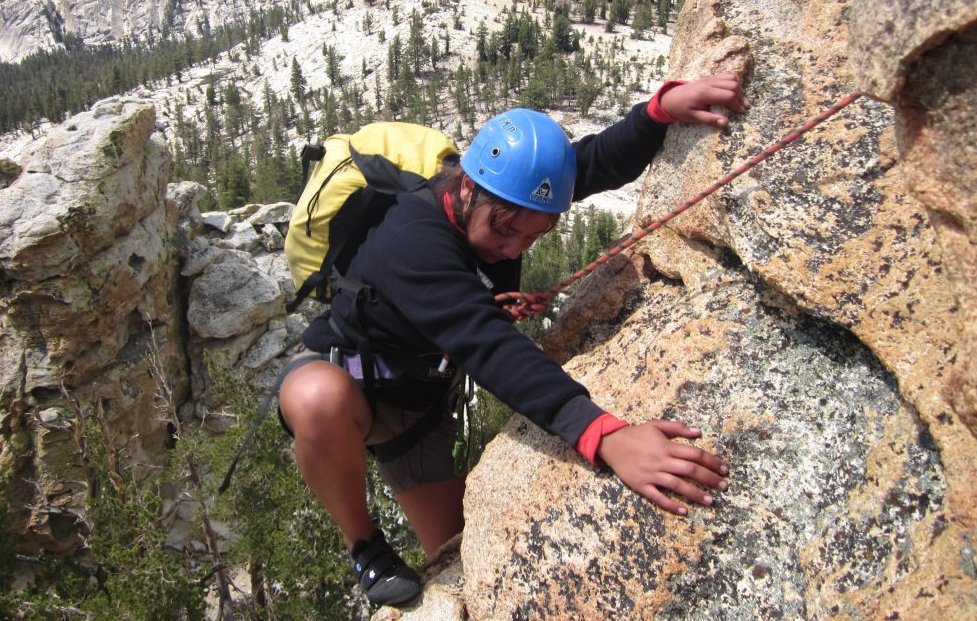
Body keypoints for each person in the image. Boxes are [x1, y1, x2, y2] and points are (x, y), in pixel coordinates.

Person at [278, 73, 747, 606]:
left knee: (454, 555)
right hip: (350, 376)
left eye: (535, 235)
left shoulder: (506, 199)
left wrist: (658, 113)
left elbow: (590, 163)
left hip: (418, 402)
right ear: (468, 188)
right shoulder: (413, 239)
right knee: (317, 401)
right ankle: (363, 545)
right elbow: (489, 348)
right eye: (505, 231)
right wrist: (605, 435)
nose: (514, 247)